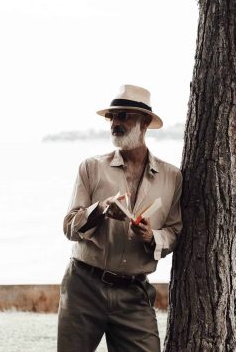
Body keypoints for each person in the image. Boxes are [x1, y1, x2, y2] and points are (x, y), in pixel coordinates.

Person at [57, 84, 183, 352]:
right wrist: (100, 209)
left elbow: (174, 231)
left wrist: (152, 237)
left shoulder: (172, 177)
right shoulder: (91, 168)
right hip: (83, 287)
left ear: (145, 121)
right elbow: (69, 226)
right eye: (112, 116)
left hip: (134, 294)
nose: (115, 122)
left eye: (123, 115)